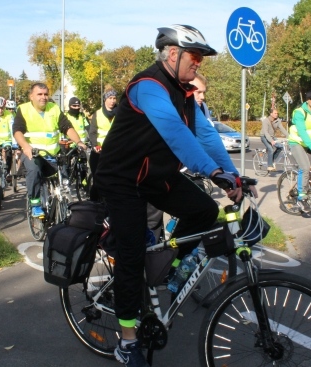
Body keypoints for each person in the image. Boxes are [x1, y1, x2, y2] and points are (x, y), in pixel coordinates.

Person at [94, 25, 252, 367]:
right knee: (132, 255)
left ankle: (172, 268)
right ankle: (127, 341)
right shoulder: (147, 86)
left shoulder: (183, 93)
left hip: (155, 177)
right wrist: (212, 172)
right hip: (122, 180)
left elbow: (207, 138)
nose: (199, 64)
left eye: (200, 59)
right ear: (171, 54)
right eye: (194, 57)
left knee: (205, 212)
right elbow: (175, 132)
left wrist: (232, 174)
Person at [13, 83, 87, 217]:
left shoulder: (54, 108)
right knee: (34, 171)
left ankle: (62, 205)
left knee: (65, 180)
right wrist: (25, 146)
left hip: (54, 153)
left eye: (46, 94)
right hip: (34, 154)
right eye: (39, 94)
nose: (43, 97)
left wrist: (79, 142)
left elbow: (67, 127)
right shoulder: (23, 109)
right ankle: (35, 204)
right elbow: (17, 131)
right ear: (31, 96)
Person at [88, 85, 117, 201]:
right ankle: (94, 204)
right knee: (98, 181)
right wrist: (96, 145)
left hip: (115, 152)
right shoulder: (98, 114)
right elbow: (92, 133)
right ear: (105, 99)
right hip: (100, 152)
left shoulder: (120, 113)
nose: (112, 101)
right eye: (110, 98)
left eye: (114, 98)